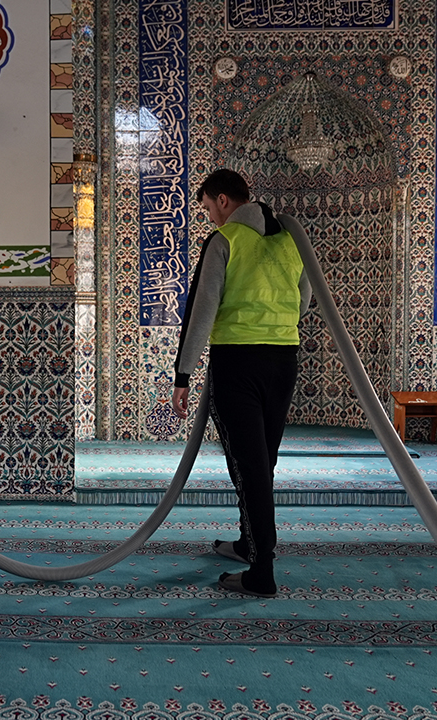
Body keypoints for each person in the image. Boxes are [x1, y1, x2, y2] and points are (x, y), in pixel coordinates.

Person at [170, 169, 311, 598]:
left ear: (225, 200)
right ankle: (251, 543)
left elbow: (203, 309)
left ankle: (261, 570)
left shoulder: (226, 240)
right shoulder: (288, 239)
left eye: (210, 208)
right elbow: (306, 298)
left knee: (247, 465)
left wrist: (183, 375)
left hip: (237, 363)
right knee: (260, 461)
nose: (211, 218)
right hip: (284, 359)